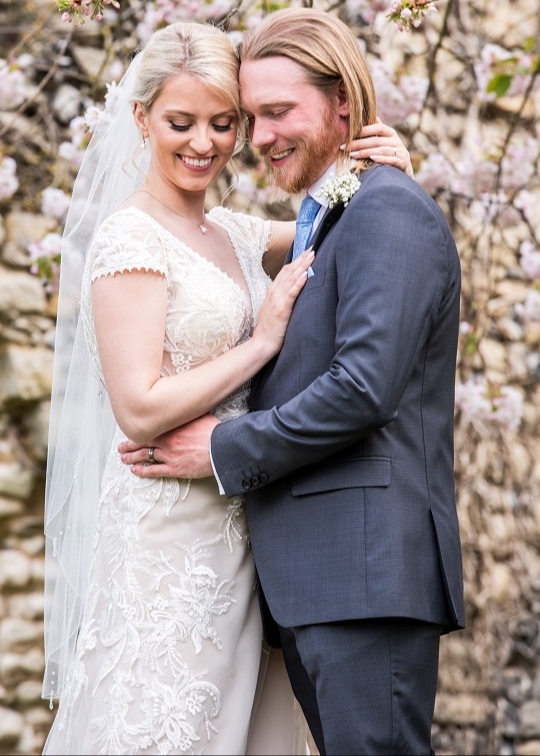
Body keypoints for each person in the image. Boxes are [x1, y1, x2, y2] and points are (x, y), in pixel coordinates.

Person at [42, 19, 413, 756]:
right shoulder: (129, 238)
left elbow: (336, 218)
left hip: (243, 530)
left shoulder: (235, 234)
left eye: (222, 123)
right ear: (141, 117)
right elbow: (139, 407)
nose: (203, 143)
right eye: (180, 122)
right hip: (166, 530)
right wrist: (261, 344)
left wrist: (385, 168)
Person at [120, 9, 465, 756]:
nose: (261, 136)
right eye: (252, 118)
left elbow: (363, 388)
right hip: (313, 582)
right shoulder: (328, 216)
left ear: (343, 101)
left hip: (365, 577)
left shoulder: (387, 210)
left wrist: (222, 447)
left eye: (279, 111)